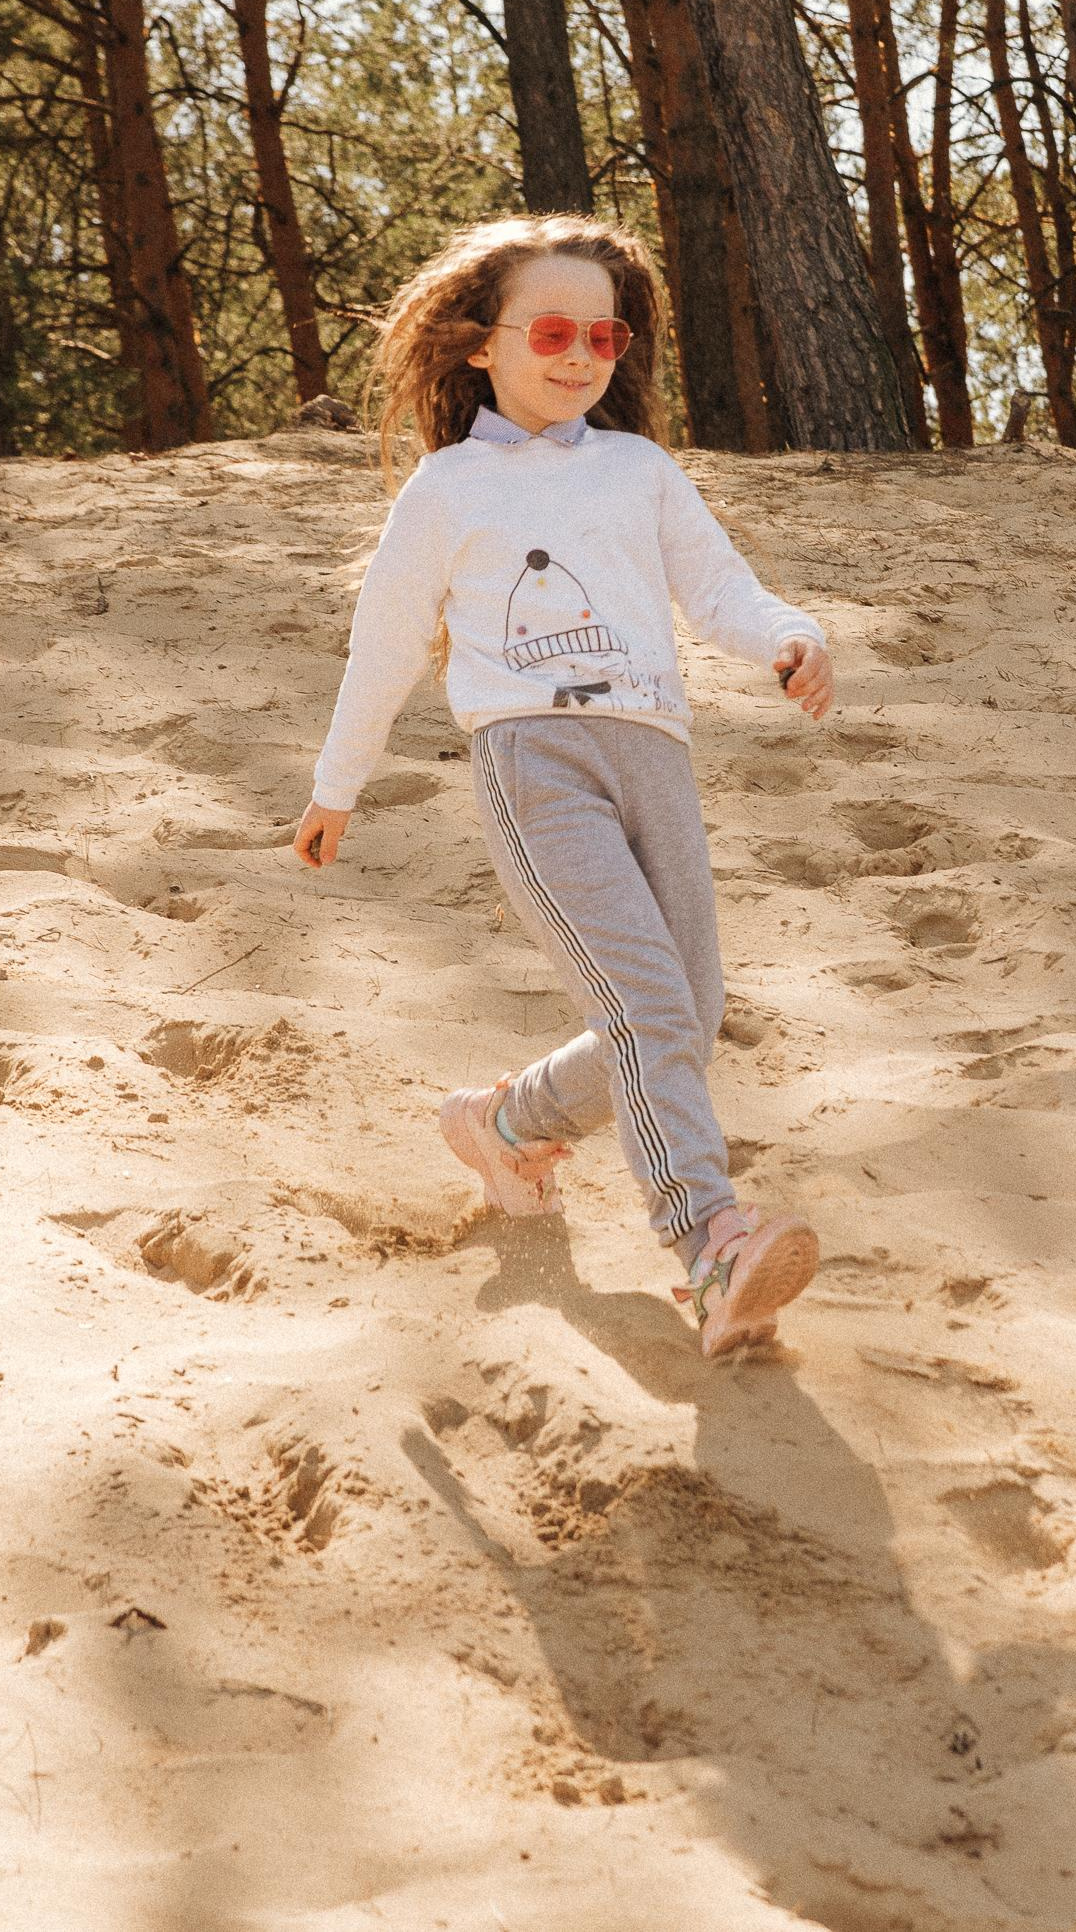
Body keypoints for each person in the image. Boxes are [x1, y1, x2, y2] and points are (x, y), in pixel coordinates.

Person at [289, 213, 833, 1359]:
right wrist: (337, 787)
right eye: (552, 330)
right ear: (482, 345)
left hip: (655, 757)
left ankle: (499, 1123)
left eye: (606, 333)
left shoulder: (638, 469)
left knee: (684, 1015)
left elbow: (721, 590)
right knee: (646, 1009)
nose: (581, 354)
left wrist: (789, 636)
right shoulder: (447, 488)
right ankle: (709, 1243)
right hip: (535, 764)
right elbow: (383, 646)